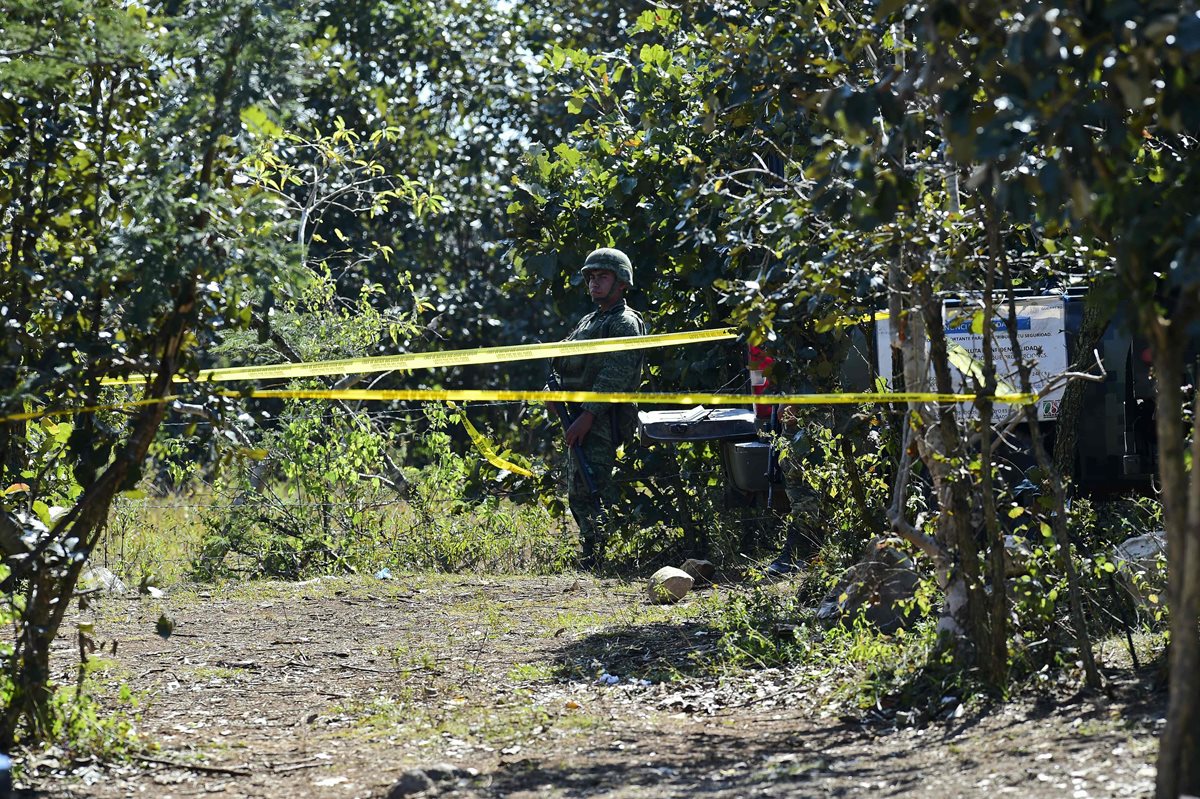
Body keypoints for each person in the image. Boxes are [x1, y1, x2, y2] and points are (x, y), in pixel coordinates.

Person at [547, 248, 647, 569]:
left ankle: (598, 556)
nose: (594, 283)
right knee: (578, 486)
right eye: (591, 277)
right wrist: (553, 391)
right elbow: (565, 360)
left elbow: (614, 376)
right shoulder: (591, 320)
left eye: (602, 277)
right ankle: (593, 552)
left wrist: (588, 416)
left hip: (603, 417)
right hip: (576, 412)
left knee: (593, 485)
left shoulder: (624, 323)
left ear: (621, 283)